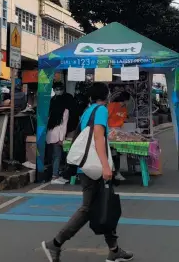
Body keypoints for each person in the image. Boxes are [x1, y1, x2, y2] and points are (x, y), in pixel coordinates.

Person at [41, 82, 133, 262]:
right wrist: (106, 166)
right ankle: (55, 243)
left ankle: (113, 249)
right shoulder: (100, 110)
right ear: (106, 96)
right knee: (89, 209)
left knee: (106, 205)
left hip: (87, 166)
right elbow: (98, 136)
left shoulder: (87, 111)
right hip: (95, 168)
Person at [46, 94, 69, 185]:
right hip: (57, 137)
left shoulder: (51, 110)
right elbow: (64, 126)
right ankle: (55, 177)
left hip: (49, 136)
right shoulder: (65, 111)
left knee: (52, 156)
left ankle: (54, 175)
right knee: (57, 157)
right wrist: (61, 139)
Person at [108, 91, 131, 180]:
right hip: (110, 130)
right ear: (126, 100)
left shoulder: (124, 108)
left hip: (119, 131)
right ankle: (111, 171)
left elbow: (123, 119)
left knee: (117, 152)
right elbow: (106, 117)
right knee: (111, 151)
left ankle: (117, 172)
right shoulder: (112, 105)